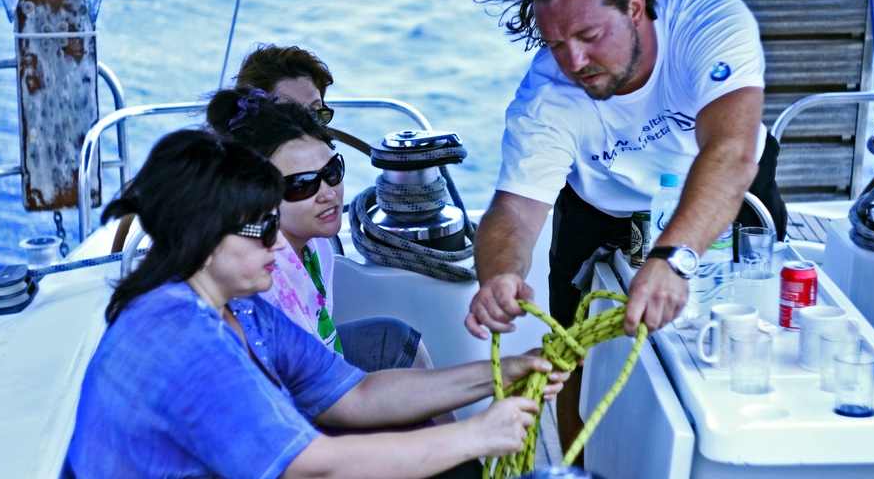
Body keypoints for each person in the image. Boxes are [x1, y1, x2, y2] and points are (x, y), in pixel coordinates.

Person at [64, 129, 567, 478]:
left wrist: (508, 372)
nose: (281, 246)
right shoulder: (179, 337)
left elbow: (358, 396)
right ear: (206, 237)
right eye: (263, 229)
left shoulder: (239, 308)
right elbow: (312, 466)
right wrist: (477, 436)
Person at [464, 0, 787, 460]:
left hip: (723, 181)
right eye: (555, 44)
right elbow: (515, 212)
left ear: (636, 5)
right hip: (603, 200)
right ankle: (573, 469)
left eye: (589, 37)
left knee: (757, 324)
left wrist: (672, 256)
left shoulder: (705, 21)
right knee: (566, 358)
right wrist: (499, 274)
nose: (574, 62)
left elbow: (729, 152)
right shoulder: (548, 95)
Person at [207, 85, 435, 378]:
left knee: (397, 338)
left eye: (331, 172)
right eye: (302, 184)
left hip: (316, 375)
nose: (328, 193)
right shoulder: (256, 276)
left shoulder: (317, 245)